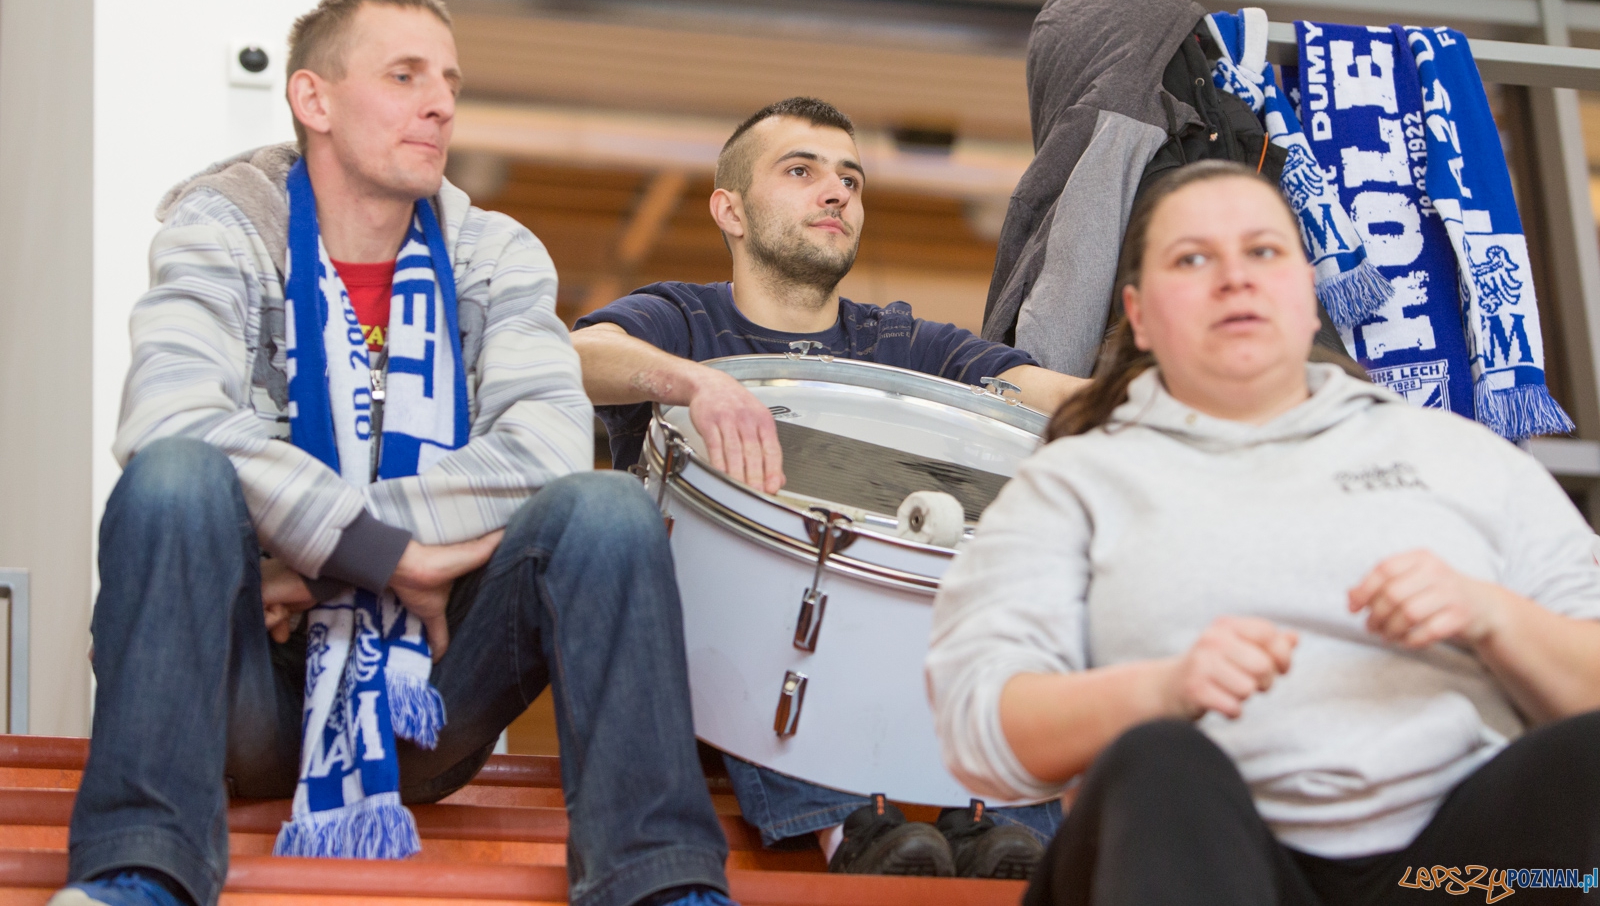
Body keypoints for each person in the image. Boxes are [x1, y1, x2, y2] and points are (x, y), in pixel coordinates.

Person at [51, 0, 733, 906]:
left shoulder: (495, 252)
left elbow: (547, 450)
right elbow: (169, 418)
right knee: (175, 478)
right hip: (235, 687)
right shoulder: (222, 229)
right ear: (314, 100)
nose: (441, 102)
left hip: (426, 694)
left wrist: (317, 551)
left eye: (449, 81)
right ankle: (135, 877)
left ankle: (660, 886)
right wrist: (389, 555)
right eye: (405, 75)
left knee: (605, 507)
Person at [926, 159, 1600, 906]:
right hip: (1206, 865)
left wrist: (1493, 615)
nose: (1234, 277)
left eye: (1264, 251)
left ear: (1310, 296)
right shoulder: (1071, 480)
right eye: (1192, 259)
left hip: (1456, 880)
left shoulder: (1459, 455)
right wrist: (1165, 686)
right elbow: (980, 729)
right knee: (1159, 759)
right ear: (1140, 313)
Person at [571, 97, 1085, 880]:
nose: (836, 190)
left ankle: (999, 821)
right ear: (730, 209)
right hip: (721, 658)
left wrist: (1165, 405)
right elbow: (577, 354)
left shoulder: (902, 345)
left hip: (893, 657)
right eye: (801, 170)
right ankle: (845, 828)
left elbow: (1037, 391)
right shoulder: (682, 316)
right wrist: (691, 384)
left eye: (851, 176)